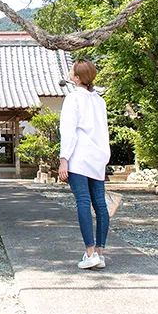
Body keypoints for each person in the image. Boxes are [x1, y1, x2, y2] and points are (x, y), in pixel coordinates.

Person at [57, 59, 111, 270]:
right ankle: (100, 253)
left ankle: (89, 254)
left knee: (83, 201)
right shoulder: (99, 101)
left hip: (79, 156)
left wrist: (64, 158)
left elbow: (69, 131)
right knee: (100, 204)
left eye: (72, 70)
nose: (69, 71)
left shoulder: (73, 99)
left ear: (78, 78)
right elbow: (103, 131)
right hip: (98, 157)